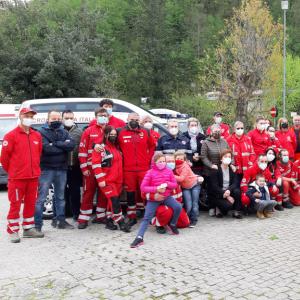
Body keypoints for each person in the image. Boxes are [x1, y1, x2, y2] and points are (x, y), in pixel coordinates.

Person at [1, 108, 44, 243]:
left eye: (31, 116)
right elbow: (4, 159)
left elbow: (39, 154)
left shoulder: (36, 135)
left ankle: (28, 228)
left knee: (31, 204)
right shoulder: (11, 136)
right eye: (27, 115)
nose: (29, 118)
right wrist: (14, 172)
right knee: (15, 205)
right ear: (20, 116)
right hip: (17, 179)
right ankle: (13, 230)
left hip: (33, 177)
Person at [35, 110, 75, 232]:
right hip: (46, 169)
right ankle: (37, 224)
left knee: (60, 197)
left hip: (61, 169)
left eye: (58, 118)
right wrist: (62, 145)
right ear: (48, 119)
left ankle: (60, 221)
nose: (56, 120)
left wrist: (55, 144)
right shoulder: (41, 132)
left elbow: (71, 145)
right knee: (41, 198)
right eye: (53, 118)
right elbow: (46, 149)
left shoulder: (63, 131)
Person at [130, 153, 182, 248]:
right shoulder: (150, 172)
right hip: (154, 199)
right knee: (146, 218)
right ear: (155, 162)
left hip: (166, 197)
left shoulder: (169, 171)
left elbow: (174, 184)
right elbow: (143, 187)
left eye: (164, 161)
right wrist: (156, 189)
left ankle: (172, 224)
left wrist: (167, 184)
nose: (162, 163)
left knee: (178, 206)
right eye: (160, 162)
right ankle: (139, 237)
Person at [118, 112, 156, 226]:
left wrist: (147, 159)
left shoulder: (145, 131)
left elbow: (152, 145)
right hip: (128, 169)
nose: (134, 121)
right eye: (132, 119)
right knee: (130, 193)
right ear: (127, 119)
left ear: (139, 121)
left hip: (143, 169)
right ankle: (132, 216)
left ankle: (148, 215)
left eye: (136, 119)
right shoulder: (120, 131)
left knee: (145, 192)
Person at [92, 126, 130, 232]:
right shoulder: (100, 148)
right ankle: (120, 221)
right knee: (115, 201)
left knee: (111, 202)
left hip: (118, 181)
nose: (113, 136)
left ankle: (109, 220)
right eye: (111, 134)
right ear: (105, 134)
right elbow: (95, 165)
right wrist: (101, 180)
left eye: (115, 135)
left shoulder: (116, 148)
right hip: (107, 181)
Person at [77, 108, 108, 229]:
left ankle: (100, 216)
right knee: (88, 193)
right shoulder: (89, 131)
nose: (103, 117)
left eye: (105, 115)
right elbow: (82, 151)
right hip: (90, 168)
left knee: (103, 192)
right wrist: (84, 168)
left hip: (105, 168)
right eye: (100, 115)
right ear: (96, 116)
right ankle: (83, 218)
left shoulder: (110, 130)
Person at [200, 124, 229, 216]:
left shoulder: (224, 141)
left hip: (222, 169)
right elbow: (203, 157)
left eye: (219, 130)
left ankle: (219, 207)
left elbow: (229, 153)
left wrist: (231, 163)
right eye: (215, 130)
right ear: (210, 131)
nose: (217, 132)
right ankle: (212, 207)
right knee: (212, 190)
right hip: (210, 170)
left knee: (221, 189)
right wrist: (211, 165)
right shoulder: (205, 142)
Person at [207, 149, 243, 219]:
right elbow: (214, 186)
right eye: (225, 156)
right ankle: (217, 207)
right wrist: (226, 195)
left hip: (228, 191)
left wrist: (229, 190)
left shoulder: (232, 169)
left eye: (229, 157)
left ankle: (236, 211)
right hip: (219, 193)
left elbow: (235, 183)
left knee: (237, 191)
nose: (227, 158)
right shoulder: (216, 169)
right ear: (221, 159)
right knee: (227, 206)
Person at [62, 110, 82, 221]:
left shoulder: (79, 132)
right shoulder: (58, 130)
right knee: (62, 192)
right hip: (61, 167)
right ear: (62, 119)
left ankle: (76, 214)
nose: (69, 120)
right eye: (66, 118)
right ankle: (63, 214)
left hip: (75, 166)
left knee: (75, 192)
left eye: (71, 118)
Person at [174, 152, 204, 227]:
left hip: (194, 184)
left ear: (184, 160)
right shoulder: (174, 166)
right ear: (174, 159)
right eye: (177, 158)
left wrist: (171, 175)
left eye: (181, 159)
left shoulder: (185, 166)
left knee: (194, 203)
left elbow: (181, 178)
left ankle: (193, 219)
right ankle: (187, 218)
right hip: (185, 187)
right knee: (188, 204)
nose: (179, 160)